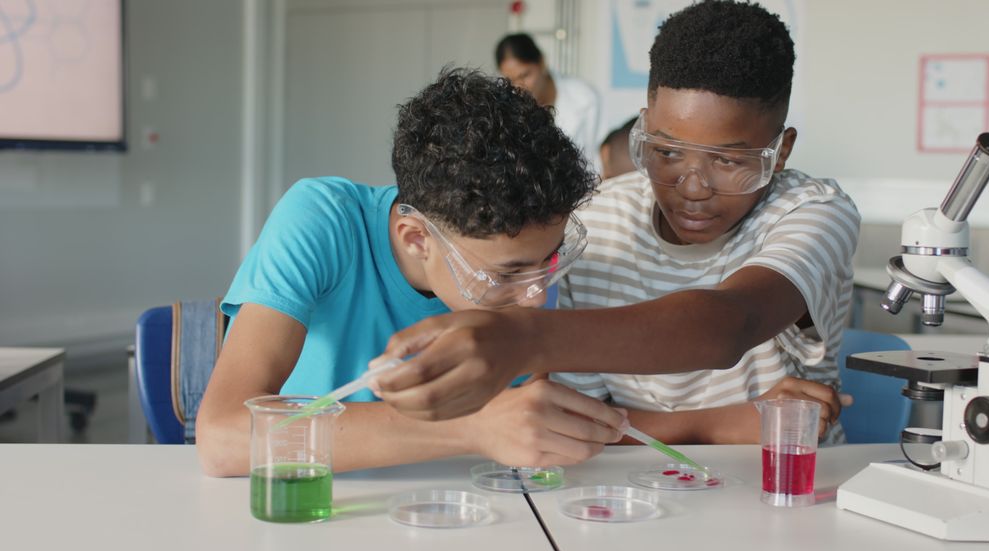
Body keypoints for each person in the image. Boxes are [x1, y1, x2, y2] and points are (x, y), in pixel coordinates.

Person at [371, 1, 861, 446]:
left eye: (729, 162)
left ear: (781, 152)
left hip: (779, 480)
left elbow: (730, 323)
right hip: (621, 489)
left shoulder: (814, 212)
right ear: (643, 127)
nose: (692, 186)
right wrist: (726, 422)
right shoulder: (597, 217)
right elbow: (572, 420)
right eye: (666, 152)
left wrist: (522, 338)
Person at [195, 69, 627, 477]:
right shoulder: (322, 220)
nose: (535, 296)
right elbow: (223, 436)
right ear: (416, 238)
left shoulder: (526, 270)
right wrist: (470, 427)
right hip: (317, 497)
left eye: (550, 260)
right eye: (506, 274)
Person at [496, 33, 602, 170]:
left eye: (525, 75)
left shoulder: (585, 98)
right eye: (510, 80)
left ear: (542, 63)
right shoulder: (503, 109)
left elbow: (601, 161)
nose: (519, 86)